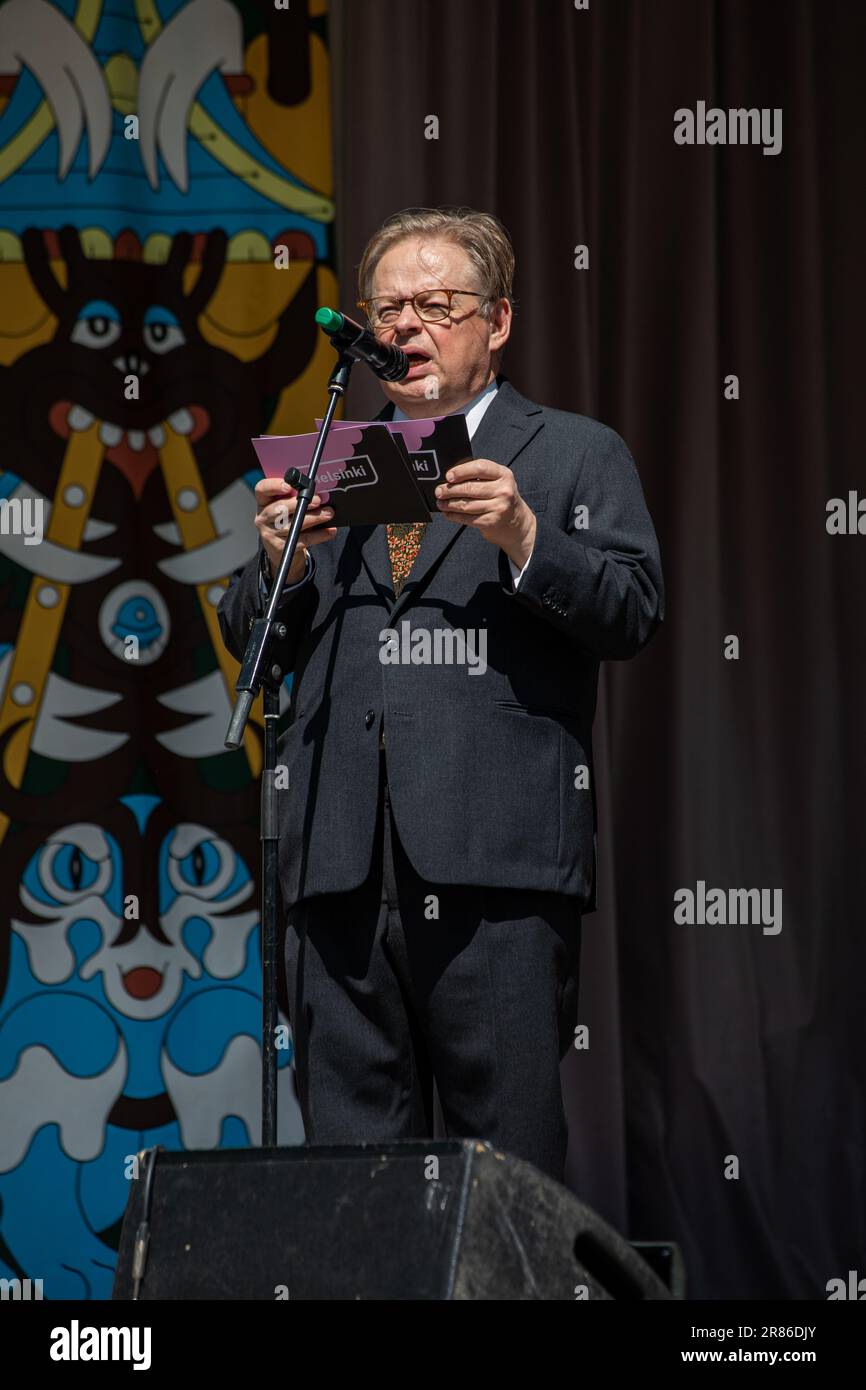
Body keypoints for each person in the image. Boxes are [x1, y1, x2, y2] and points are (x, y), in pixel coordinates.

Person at [218, 207, 664, 1183]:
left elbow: (632, 609)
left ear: (496, 321)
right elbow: (251, 637)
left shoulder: (570, 454)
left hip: (491, 869)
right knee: (349, 1178)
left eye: (435, 305)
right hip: (338, 868)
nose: (406, 327)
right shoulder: (335, 463)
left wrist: (525, 538)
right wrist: (277, 564)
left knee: (500, 1169)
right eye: (389, 310)